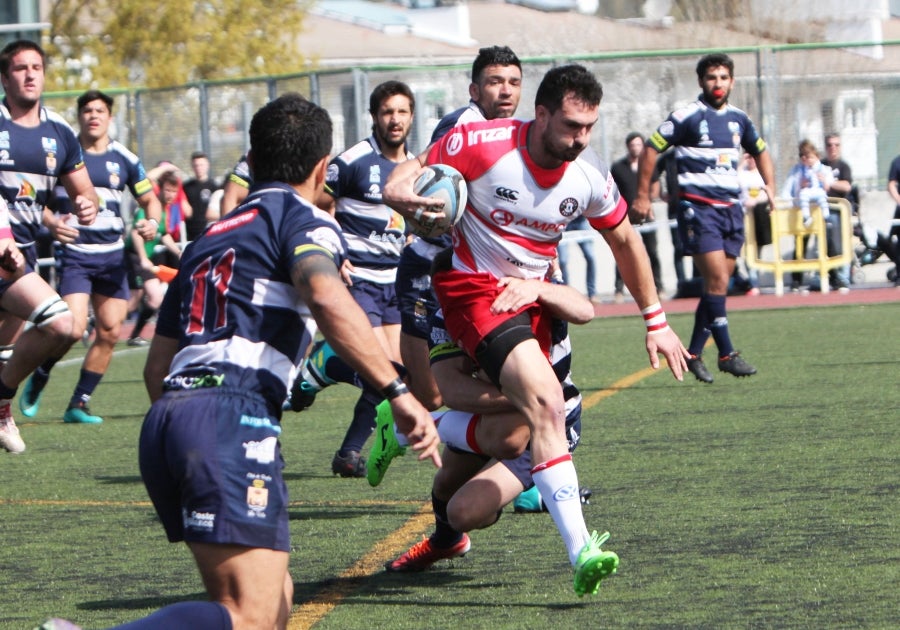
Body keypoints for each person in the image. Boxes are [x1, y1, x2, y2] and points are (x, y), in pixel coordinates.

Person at [123, 93, 439, 629]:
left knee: (276, 602)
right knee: (247, 615)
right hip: (227, 412)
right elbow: (323, 294)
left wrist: (191, 435)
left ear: (254, 158)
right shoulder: (304, 219)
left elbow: (156, 368)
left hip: (169, 417)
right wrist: (397, 392)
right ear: (322, 168)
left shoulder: (208, 238)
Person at [384, 64, 689, 596]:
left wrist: (656, 321)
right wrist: (398, 191)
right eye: (572, 125)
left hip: (528, 303)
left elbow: (623, 242)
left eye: (590, 127)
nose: (581, 139)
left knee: (471, 491)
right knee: (535, 398)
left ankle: (431, 447)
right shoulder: (481, 142)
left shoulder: (588, 175)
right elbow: (409, 172)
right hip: (473, 288)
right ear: (541, 114)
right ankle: (582, 549)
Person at [373, 256, 597, 573]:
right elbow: (450, 389)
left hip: (548, 422)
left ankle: (406, 429)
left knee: (467, 509)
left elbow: (585, 310)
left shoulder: (523, 291)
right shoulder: (447, 313)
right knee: (447, 483)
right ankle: (446, 542)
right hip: (500, 412)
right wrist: (527, 396)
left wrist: (539, 288)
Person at [19, 89, 162, 424]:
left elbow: (150, 201)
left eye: (99, 110)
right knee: (72, 328)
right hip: (76, 255)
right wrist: (52, 222)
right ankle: (42, 371)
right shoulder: (62, 153)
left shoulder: (124, 159)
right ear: (79, 117)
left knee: (111, 331)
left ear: (109, 118)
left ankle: (78, 404)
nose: (93, 116)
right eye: (87, 111)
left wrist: (152, 223)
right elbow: (26, 193)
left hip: (112, 258)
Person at [396, 45, 523, 411]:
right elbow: (430, 188)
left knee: (487, 376)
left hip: (476, 274)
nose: (505, 91)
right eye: (495, 82)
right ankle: (395, 416)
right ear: (474, 90)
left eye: (513, 82)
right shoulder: (460, 128)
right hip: (431, 268)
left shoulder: (511, 133)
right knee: (434, 394)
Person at [300, 81, 416, 478]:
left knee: (397, 375)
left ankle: (348, 452)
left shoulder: (415, 167)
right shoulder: (352, 162)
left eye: (402, 112)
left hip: (394, 284)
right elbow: (313, 204)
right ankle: (325, 367)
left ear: (411, 116)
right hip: (358, 280)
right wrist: (332, 253)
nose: (395, 119)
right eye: (387, 112)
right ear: (374, 117)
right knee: (378, 368)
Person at [634, 52, 774, 384]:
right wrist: (642, 194)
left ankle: (694, 354)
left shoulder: (739, 119)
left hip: (731, 212)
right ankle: (726, 354)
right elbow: (652, 148)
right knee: (718, 283)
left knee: (717, 287)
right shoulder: (687, 117)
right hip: (699, 210)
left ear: (732, 82)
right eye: (712, 77)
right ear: (701, 81)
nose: (718, 83)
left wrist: (771, 187)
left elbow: (761, 150)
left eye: (724, 77)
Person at [0, 40, 99, 453]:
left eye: (36, 67)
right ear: (5, 78)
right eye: (20, 68)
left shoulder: (58, 132)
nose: (29, 74)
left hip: (20, 255)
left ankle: (2, 409)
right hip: (7, 258)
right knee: (62, 322)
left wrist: (86, 202)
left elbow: (83, 187)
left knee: (11, 349)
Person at [125, 169, 183, 346]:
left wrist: (179, 252)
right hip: (134, 256)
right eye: (167, 190)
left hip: (142, 258)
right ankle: (132, 333)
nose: (171, 195)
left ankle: (131, 333)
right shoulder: (150, 207)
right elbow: (136, 234)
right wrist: (143, 258)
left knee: (139, 300)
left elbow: (164, 235)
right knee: (150, 298)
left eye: (174, 191)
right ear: (160, 189)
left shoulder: (165, 211)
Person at [782, 139, 844, 292]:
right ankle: (796, 280)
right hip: (803, 214)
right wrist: (799, 188)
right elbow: (787, 192)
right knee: (800, 245)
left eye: (808, 155)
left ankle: (836, 277)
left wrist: (824, 183)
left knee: (827, 245)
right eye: (802, 156)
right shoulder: (796, 172)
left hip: (819, 213)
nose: (805, 159)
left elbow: (829, 187)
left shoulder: (822, 169)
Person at [610, 132, 664, 302]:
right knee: (623, 251)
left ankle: (659, 288)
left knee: (652, 252)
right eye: (633, 145)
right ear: (628, 147)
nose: (636, 148)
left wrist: (649, 202)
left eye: (639, 145)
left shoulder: (648, 165)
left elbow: (656, 186)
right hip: (625, 216)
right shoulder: (618, 167)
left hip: (646, 214)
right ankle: (619, 290)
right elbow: (613, 190)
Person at [737, 152, 771, 295]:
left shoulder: (760, 174)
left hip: (759, 215)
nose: (751, 160)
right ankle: (751, 281)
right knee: (744, 250)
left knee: (756, 250)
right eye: (748, 157)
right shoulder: (742, 173)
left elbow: (767, 191)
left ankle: (754, 281)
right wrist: (741, 164)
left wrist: (755, 201)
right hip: (742, 215)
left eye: (752, 157)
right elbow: (733, 181)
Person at [182, 150, 220, 241]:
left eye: (201, 165)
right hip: (190, 232)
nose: (199, 168)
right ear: (192, 167)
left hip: (209, 231)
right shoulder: (186, 187)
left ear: (207, 165)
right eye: (196, 165)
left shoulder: (215, 186)